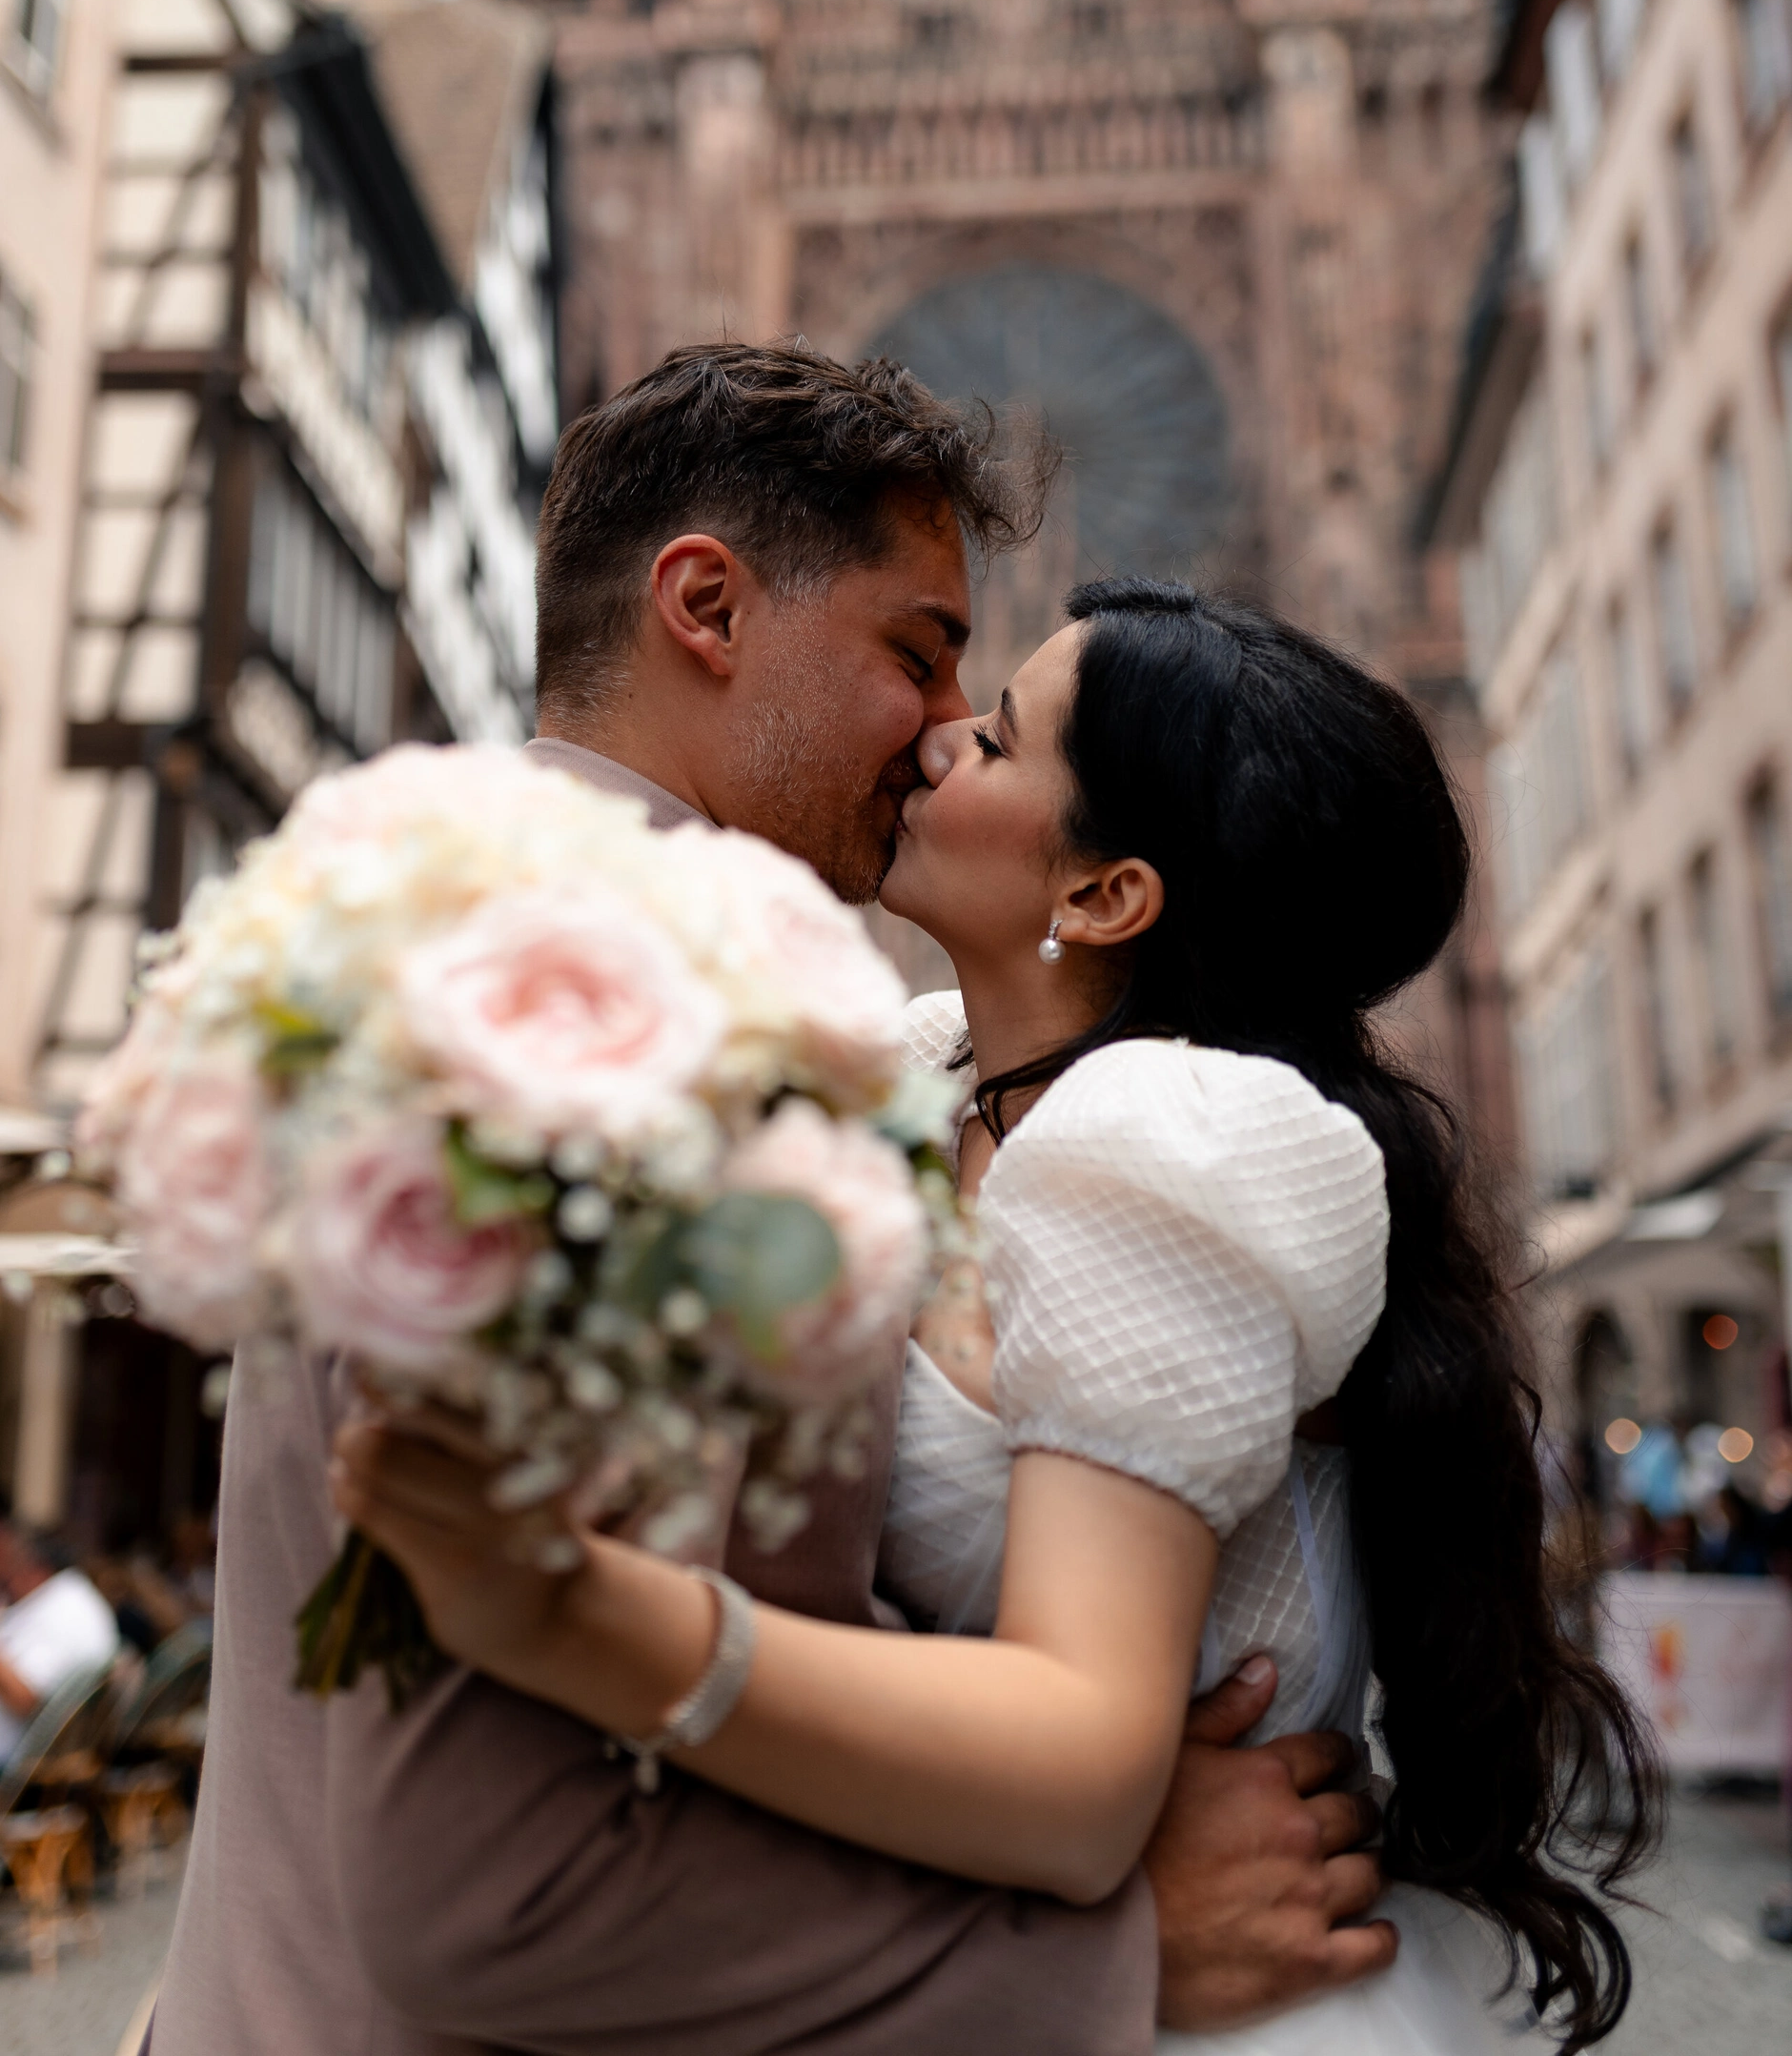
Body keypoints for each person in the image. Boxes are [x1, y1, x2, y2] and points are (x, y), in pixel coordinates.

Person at [149, 346, 1391, 2056]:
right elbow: (504, 1888)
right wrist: (1113, 1948)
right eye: (917, 649)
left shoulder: (472, 957)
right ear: (708, 609)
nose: (948, 727)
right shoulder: (623, 1038)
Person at [336, 580, 1661, 2053]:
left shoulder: (1172, 1135)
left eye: (1004, 738)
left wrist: (574, 1612)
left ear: (1106, 893)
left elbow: (1078, 1759)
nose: (938, 737)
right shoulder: (919, 1083)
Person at [0, 1516, 119, 1761]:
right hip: (50, 1754)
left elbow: (26, 1698)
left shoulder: (61, 1609)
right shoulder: (74, 1595)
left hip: (21, 1762)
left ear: (34, 1568)